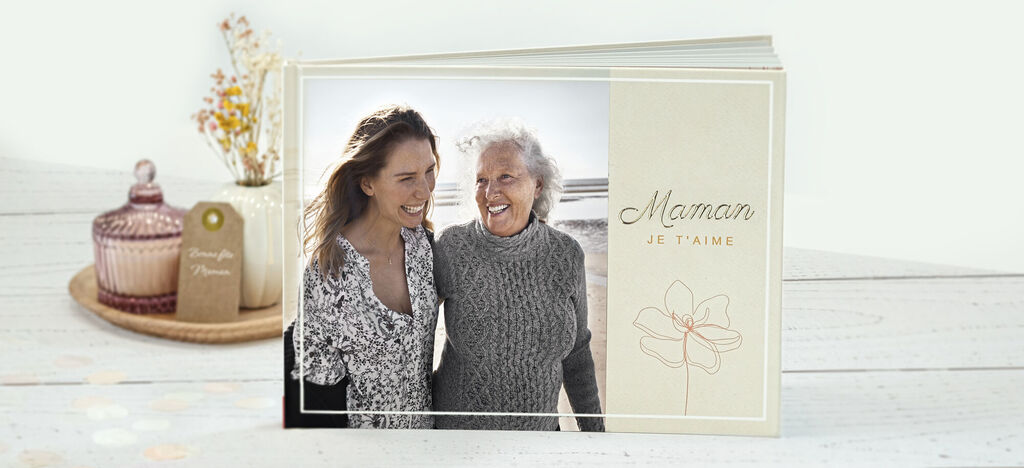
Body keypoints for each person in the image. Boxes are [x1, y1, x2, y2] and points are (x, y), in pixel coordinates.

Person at [432, 119, 604, 431]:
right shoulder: (452, 248)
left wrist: (596, 434)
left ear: (537, 184)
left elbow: (577, 353)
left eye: (505, 177)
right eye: (481, 179)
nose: (490, 192)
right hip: (458, 443)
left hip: (539, 444)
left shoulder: (566, 254)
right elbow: (414, 339)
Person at [285, 104, 440, 429]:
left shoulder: (423, 245)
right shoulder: (328, 275)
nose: (424, 190)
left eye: (429, 170)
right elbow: (315, 400)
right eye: (406, 178)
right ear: (367, 183)